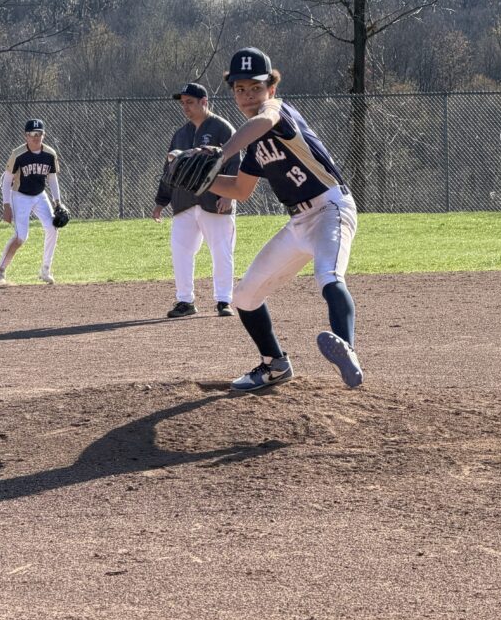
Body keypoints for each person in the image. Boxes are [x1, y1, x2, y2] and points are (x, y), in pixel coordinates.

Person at [204, 46, 363, 392]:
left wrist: (221, 154)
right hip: (299, 222)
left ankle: (347, 348)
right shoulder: (252, 146)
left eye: (256, 87)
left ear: (271, 89)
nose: (248, 95)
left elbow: (263, 120)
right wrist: (200, 180)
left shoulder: (278, 111)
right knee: (244, 297)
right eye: (240, 89)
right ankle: (274, 365)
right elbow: (241, 190)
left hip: (331, 209)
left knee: (329, 275)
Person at [153, 82, 240, 318]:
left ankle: (224, 300)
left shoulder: (222, 129)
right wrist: (161, 201)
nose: (186, 107)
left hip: (214, 201)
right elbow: (169, 170)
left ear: (204, 102)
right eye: (183, 103)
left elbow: (234, 162)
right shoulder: (180, 134)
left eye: (190, 102)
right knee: (180, 251)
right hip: (184, 202)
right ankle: (185, 301)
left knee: (221, 252)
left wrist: (228, 194)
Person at [0, 118, 64, 286]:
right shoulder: (18, 154)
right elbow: (6, 181)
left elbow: (52, 179)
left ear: (44, 135)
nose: (35, 137)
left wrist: (58, 203)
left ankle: (46, 270)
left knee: (52, 228)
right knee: (21, 237)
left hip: (39, 195)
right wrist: (6, 205)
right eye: (32, 134)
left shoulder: (50, 154)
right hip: (20, 195)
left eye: (39, 133)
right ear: (26, 136)